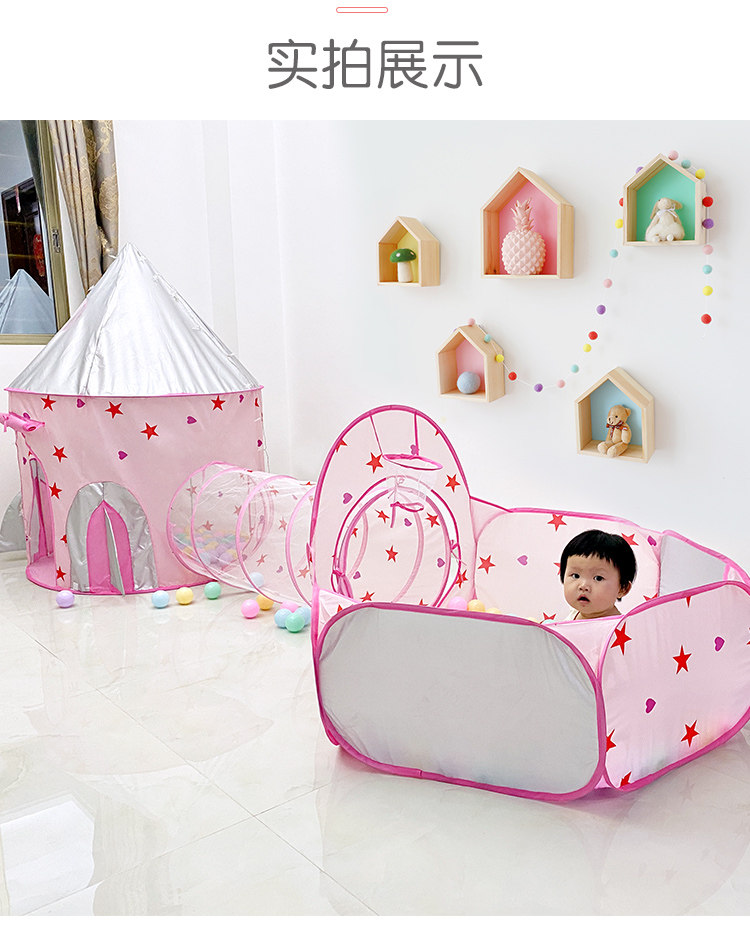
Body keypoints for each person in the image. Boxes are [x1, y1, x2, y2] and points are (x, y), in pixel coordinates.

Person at [559, 529, 637, 621]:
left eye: (598, 578)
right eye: (575, 576)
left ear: (622, 589)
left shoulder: (619, 627)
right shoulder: (573, 614)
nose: (583, 586)